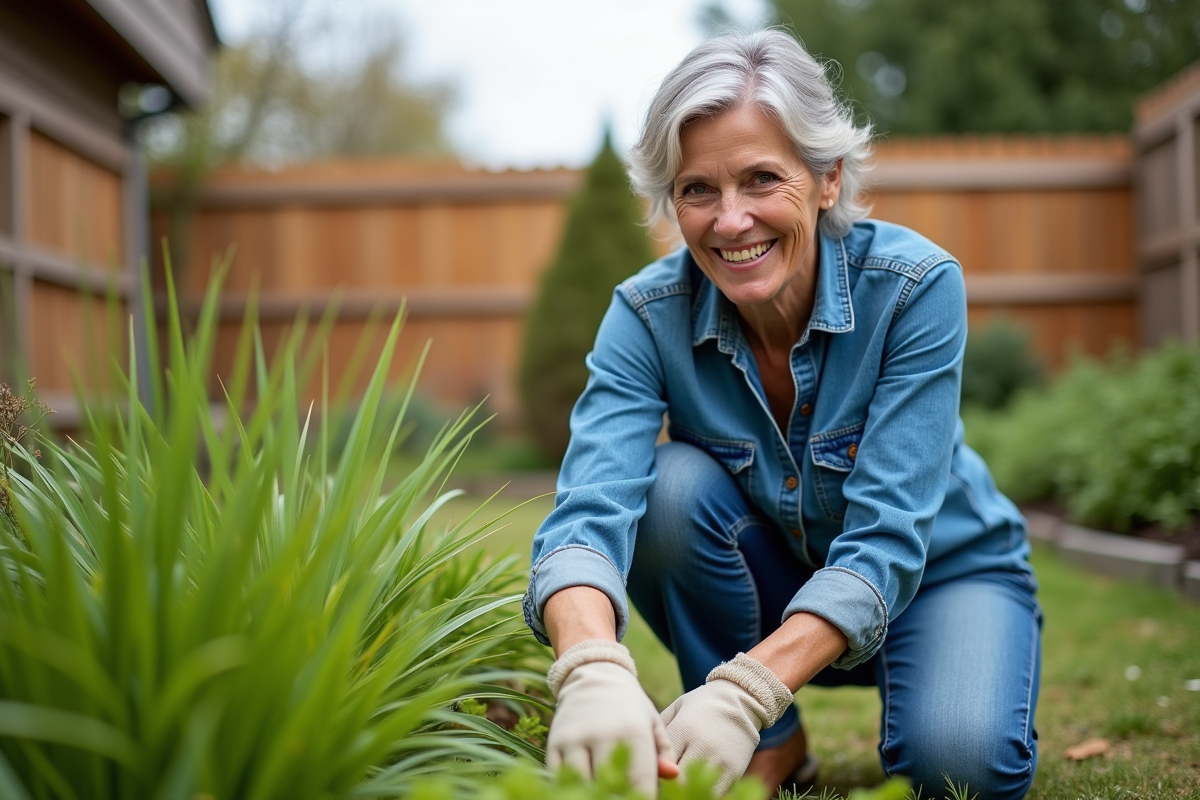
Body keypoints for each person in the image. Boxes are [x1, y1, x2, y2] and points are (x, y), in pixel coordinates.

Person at [523, 29, 1042, 800]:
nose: (731, 221)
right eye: (698, 189)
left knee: (961, 769)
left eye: (762, 179)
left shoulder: (913, 288)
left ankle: (749, 712)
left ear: (827, 178)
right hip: (771, 582)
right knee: (667, 490)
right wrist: (591, 666)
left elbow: (889, 538)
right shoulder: (644, 315)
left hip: (938, 577)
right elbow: (589, 514)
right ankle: (774, 746)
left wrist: (744, 690)